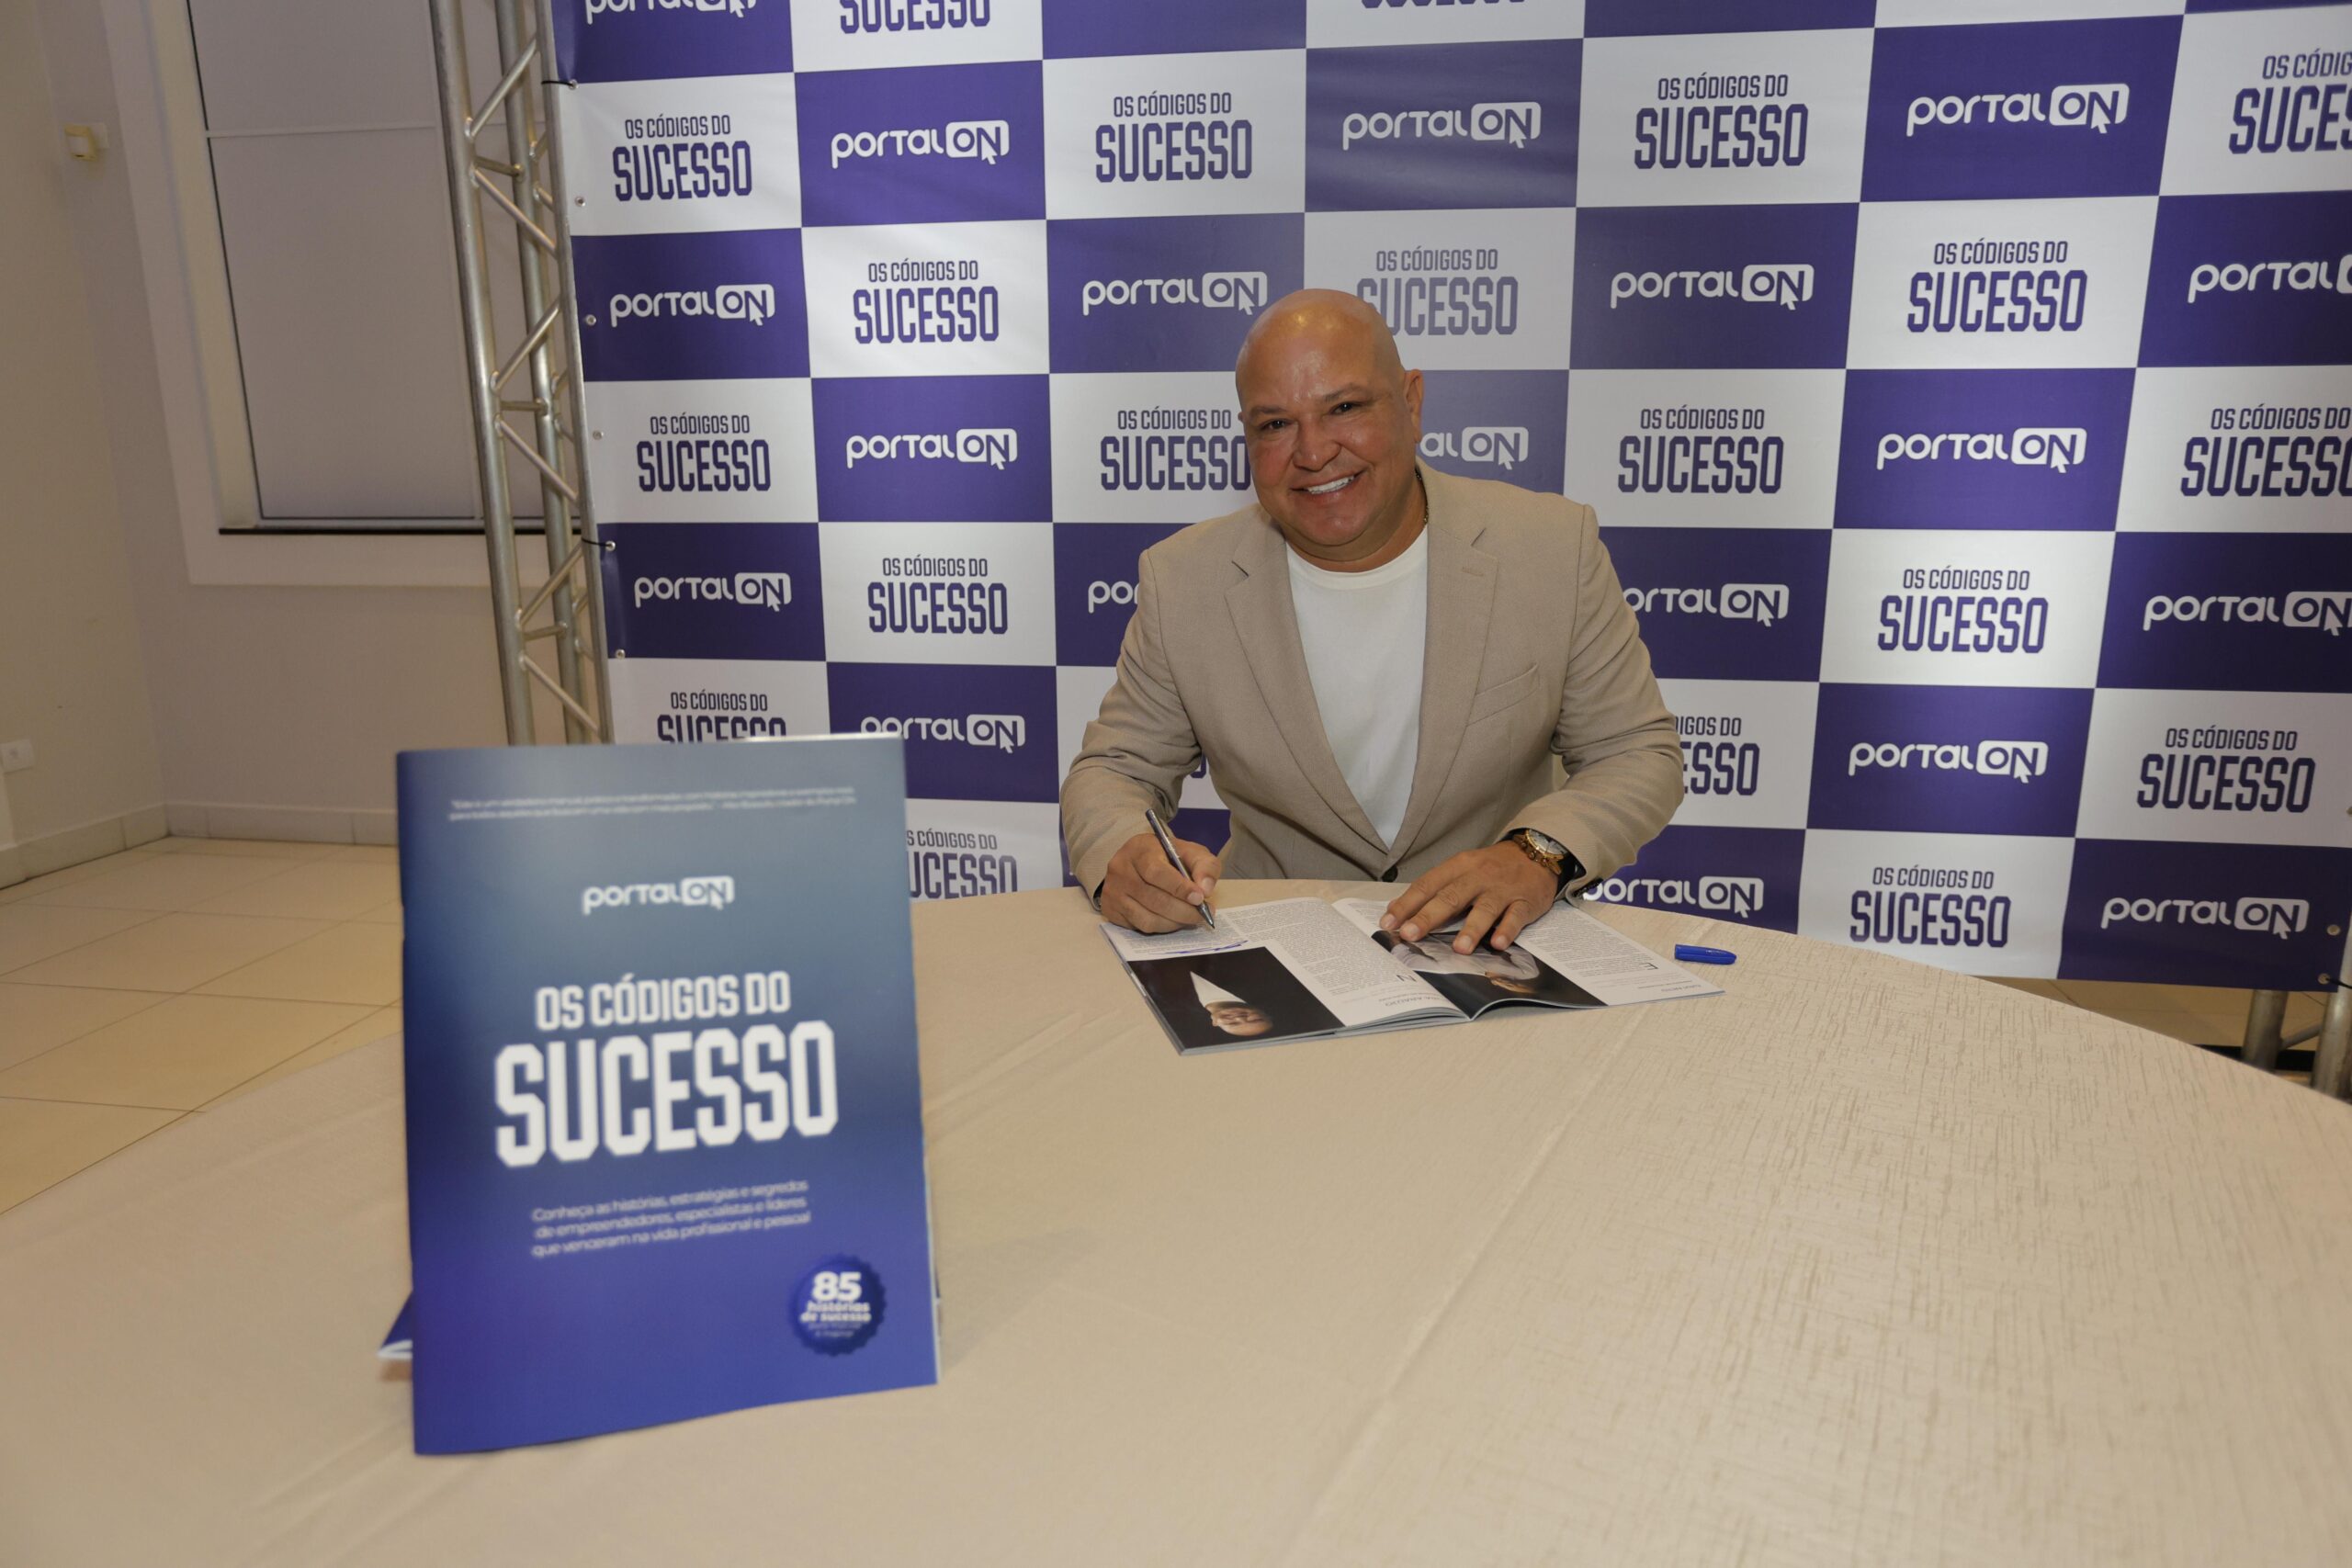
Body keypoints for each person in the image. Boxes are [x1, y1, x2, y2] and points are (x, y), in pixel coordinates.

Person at [1063, 289, 1683, 957]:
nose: (1312, 452)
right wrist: (1125, 853)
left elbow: (1635, 753)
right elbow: (1115, 771)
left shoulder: (1552, 546)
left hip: (1495, 950)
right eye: (1275, 424)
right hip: (1279, 957)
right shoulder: (1182, 579)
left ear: (1412, 404)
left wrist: (1535, 854)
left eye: (1345, 409)